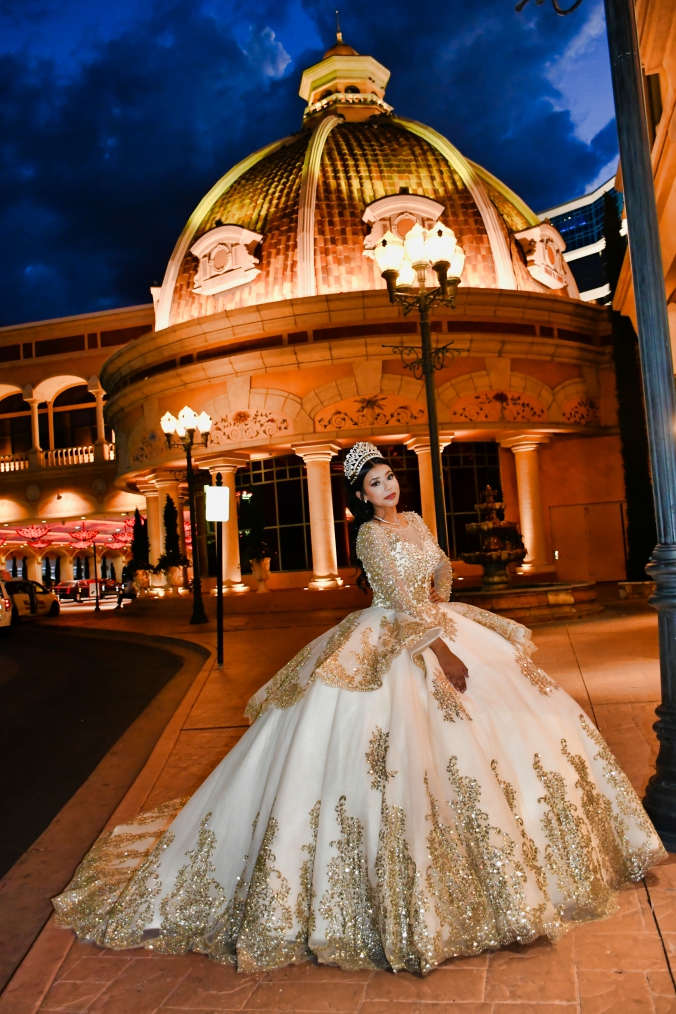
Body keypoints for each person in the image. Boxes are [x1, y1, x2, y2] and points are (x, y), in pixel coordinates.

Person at [53, 441, 665, 977]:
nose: (387, 486)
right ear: (360, 496)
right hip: (403, 638)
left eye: (388, 476)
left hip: (434, 621)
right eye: (374, 482)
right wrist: (442, 649)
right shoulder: (370, 535)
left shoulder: (418, 522)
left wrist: (441, 600)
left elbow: (438, 577)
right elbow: (399, 602)